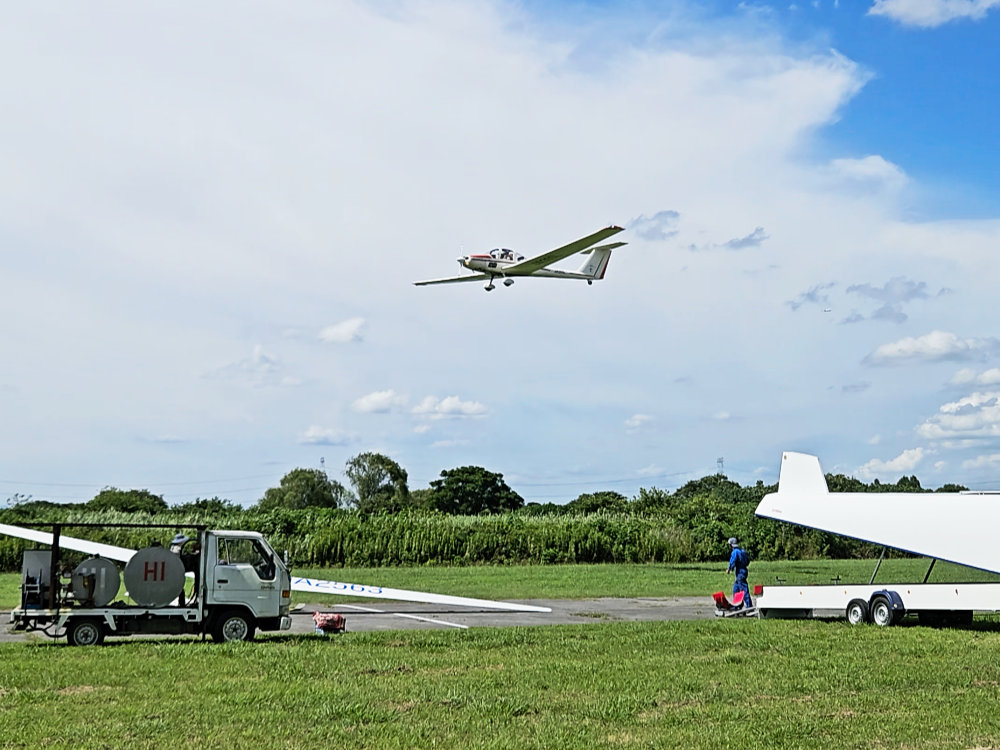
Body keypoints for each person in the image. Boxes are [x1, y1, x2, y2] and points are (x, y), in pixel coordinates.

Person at [726, 537, 752, 609]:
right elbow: (747, 561)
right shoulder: (742, 551)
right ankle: (737, 605)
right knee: (736, 589)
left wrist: (729, 569)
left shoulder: (735, 552)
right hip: (744, 570)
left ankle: (749, 605)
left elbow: (733, 561)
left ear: (731, 545)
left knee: (743, 588)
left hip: (740, 572)